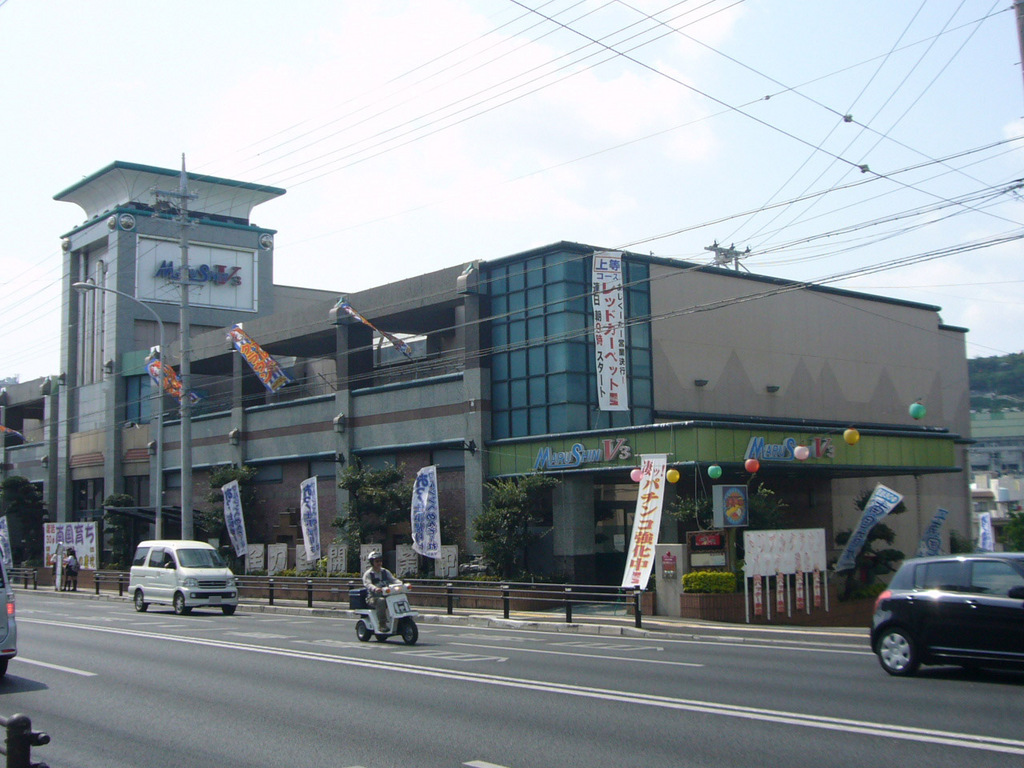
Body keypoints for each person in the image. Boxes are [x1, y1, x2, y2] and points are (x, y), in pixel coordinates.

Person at [361, 551, 397, 630]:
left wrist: (401, 584)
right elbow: (368, 584)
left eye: (380, 561)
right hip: (372, 598)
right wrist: (375, 588)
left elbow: (393, 580)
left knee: (397, 598)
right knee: (381, 600)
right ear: (372, 562)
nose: (379, 563)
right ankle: (382, 624)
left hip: (387, 596)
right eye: (377, 561)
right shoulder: (368, 574)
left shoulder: (385, 572)